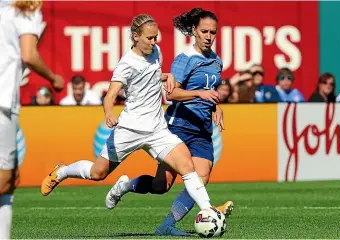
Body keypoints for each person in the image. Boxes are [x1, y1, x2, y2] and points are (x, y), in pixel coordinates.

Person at [40, 14, 217, 222]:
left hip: (158, 130)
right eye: (149, 38)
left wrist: (168, 76)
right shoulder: (126, 63)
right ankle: (62, 172)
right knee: (98, 173)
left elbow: (151, 75)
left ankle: (208, 211)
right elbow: (111, 94)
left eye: (156, 37)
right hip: (129, 129)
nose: (154, 42)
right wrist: (109, 113)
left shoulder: (155, 52)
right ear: (135, 37)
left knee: (186, 165)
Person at [104, 8, 233, 236]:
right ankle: (125, 186)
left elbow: (208, 91)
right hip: (179, 125)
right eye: (204, 31)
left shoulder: (216, 61)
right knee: (160, 186)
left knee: (201, 177)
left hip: (202, 129)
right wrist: (201, 95)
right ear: (194, 31)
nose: (209, 36)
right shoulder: (185, 59)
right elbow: (172, 94)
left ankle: (169, 225)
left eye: (213, 32)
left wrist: (215, 106)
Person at [0, 0, 64, 238]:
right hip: (3, 100)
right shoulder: (27, 6)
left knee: (10, 179)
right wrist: (53, 77)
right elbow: (28, 54)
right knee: (5, 180)